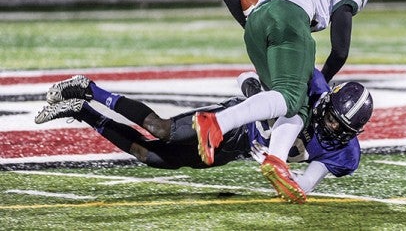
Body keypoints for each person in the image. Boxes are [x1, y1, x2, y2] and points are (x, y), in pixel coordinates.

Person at [192, 0, 370, 202]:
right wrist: (322, 82)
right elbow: (340, 50)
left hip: (257, 24)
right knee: (290, 98)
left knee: (292, 105)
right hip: (292, 18)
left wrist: (257, 28)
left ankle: (276, 160)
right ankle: (217, 123)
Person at [35, 70, 373, 204]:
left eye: (340, 128)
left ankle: (81, 110)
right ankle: (89, 89)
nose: (331, 128)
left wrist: (277, 169)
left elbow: (302, 187)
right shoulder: (311, 84)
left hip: (235, 151)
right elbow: (252, 75)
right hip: (230, 126)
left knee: (151, 156)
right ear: (326, 101)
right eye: (330, 119)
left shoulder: (346, 155)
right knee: (162, 129)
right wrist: (254, 89)